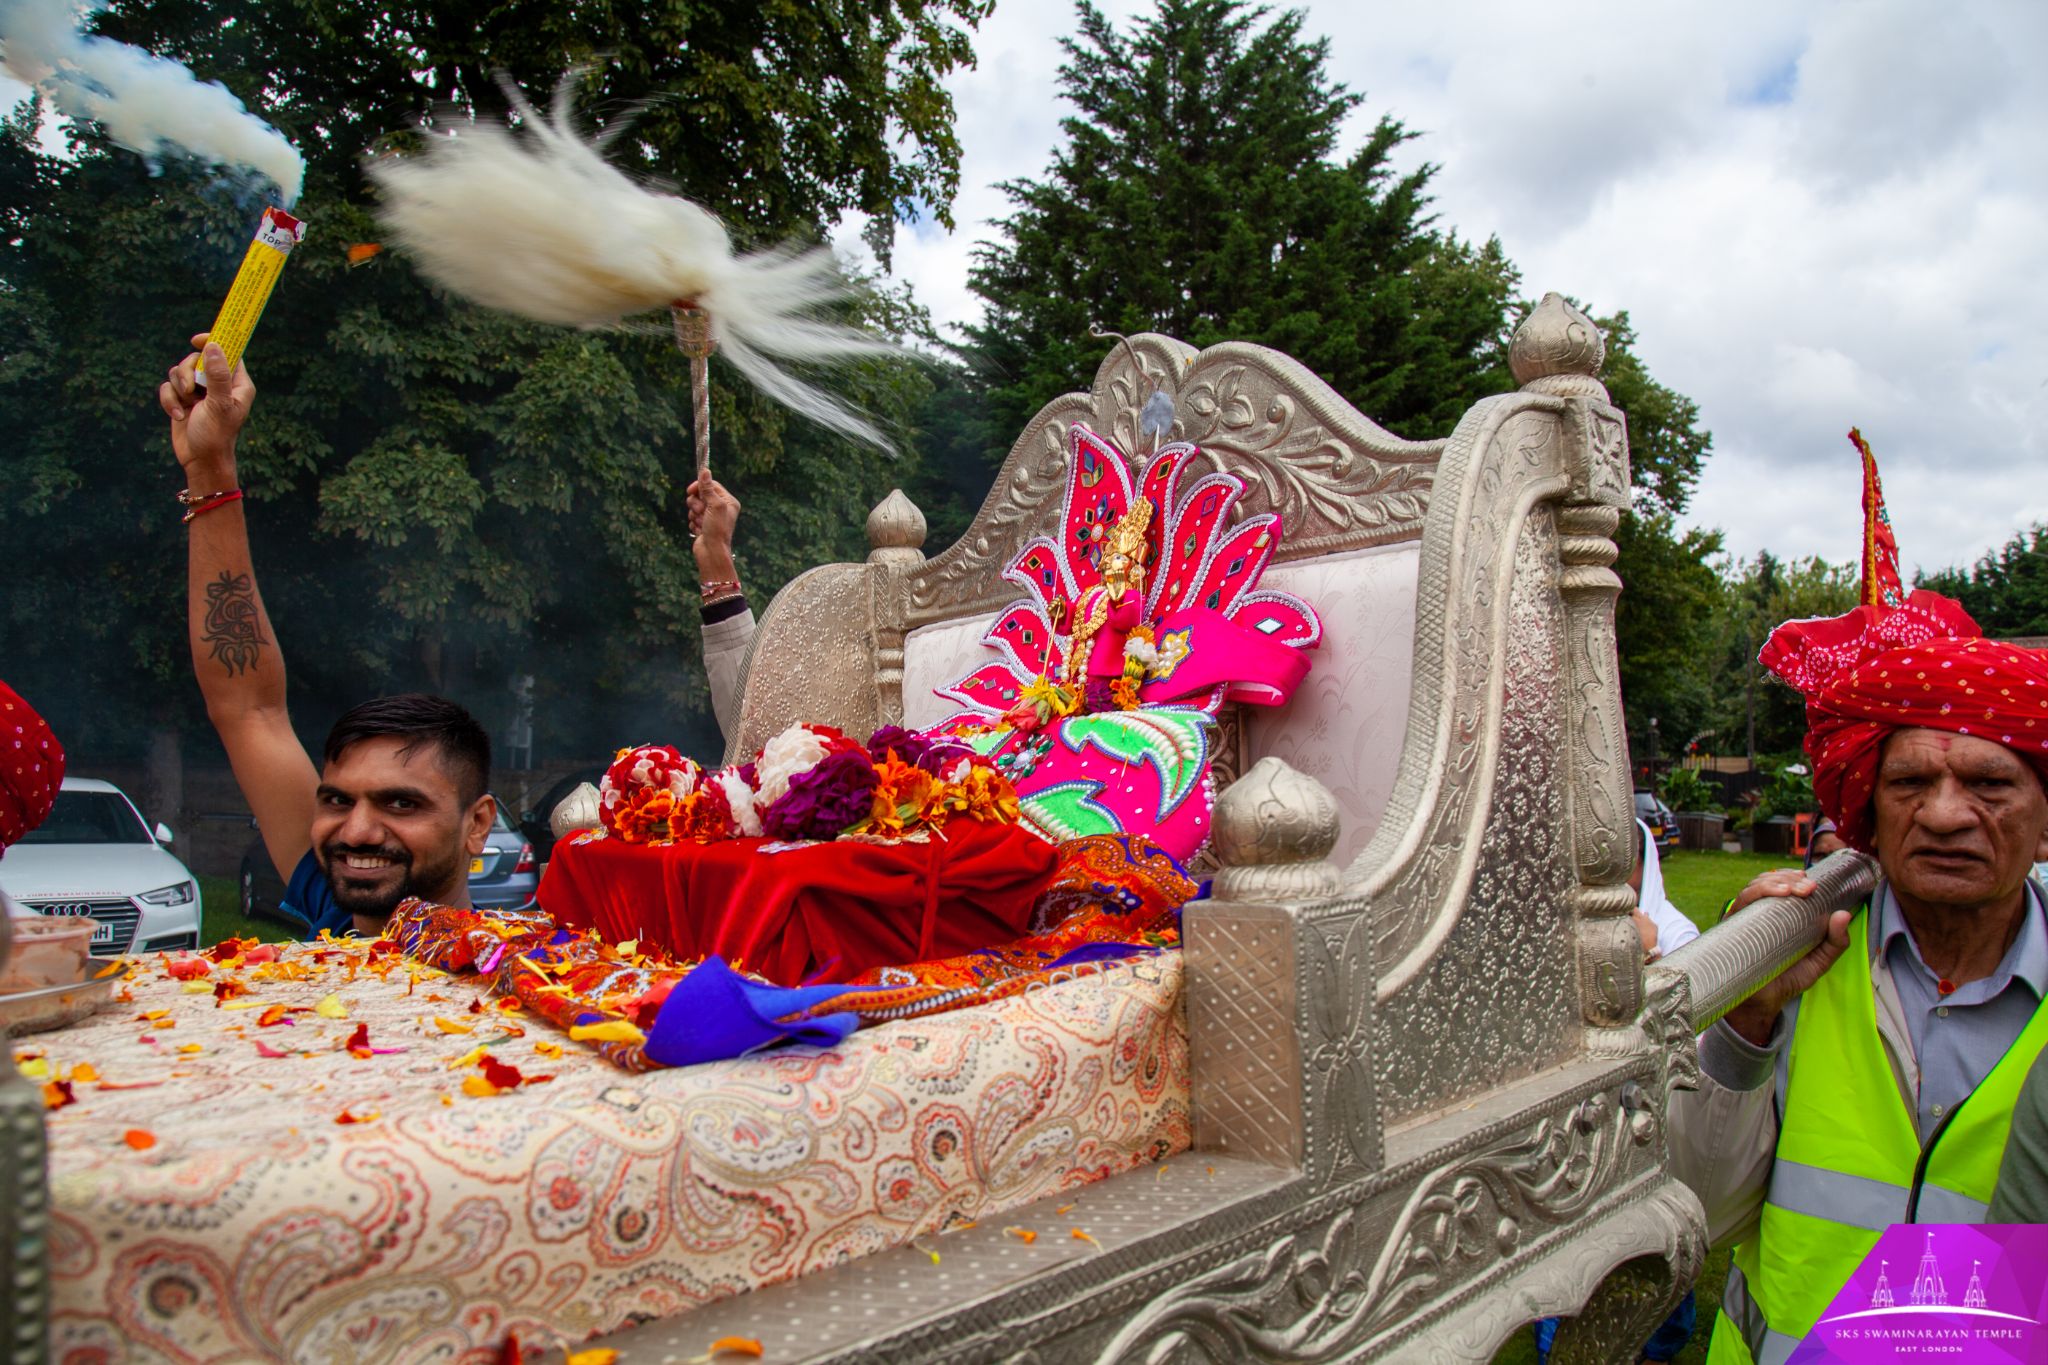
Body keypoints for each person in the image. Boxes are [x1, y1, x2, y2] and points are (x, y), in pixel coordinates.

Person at [162, 334, 755, 937]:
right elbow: (247, 707)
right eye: (337, 800)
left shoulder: (539, 976)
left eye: (401, 803)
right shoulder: (329, 905)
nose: (358, 831)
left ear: (477, 825)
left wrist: (716, 565)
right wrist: (211, 467)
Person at [1671, 583, 2048, 1364]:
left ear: (2045, 828)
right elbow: (1698, 1210)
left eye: (1990, 783)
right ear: (1868, 810)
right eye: (1910, 783)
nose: (1944, 814)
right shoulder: (1797, 955)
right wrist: (1747, 1020)